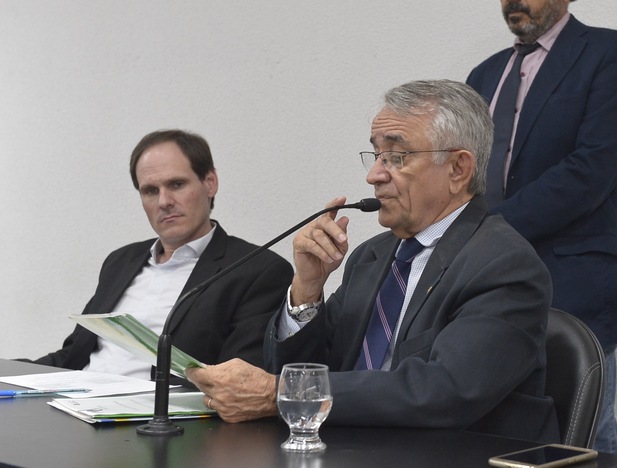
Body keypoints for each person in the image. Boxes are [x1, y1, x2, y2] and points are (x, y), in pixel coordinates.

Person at [187, 80, 559, 443]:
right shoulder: (373, 256)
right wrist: (306, 291)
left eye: (397, 157)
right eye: (377, 156)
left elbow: (446, 391)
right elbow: (308, 370)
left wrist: (279, 393)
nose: (374, 176)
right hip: (351, 450)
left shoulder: (503, 264)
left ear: (458, 169)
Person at [465, 0, 617, 453]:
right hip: (488, 284)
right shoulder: (483, 75)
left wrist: (488, 232)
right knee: (501, 431)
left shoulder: (608, 54)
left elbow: (591, 171)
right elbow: (463, 174)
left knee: (585, 435)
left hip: (572, 279)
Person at [29, 129, 293, 379]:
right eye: (150, 191)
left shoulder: (256, 270)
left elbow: (237, 382)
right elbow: (72, 355)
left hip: (156, 409)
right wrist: (12, 372)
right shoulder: (120, 261)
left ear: (210, 183)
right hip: (76, 399)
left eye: (176, 184)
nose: (164, 201)